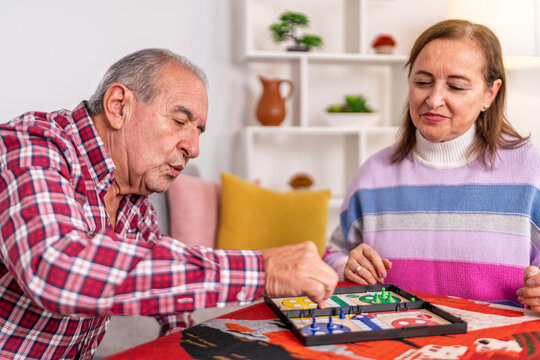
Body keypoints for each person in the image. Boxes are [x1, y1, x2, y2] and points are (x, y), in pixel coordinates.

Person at [0, 48, 338, 359]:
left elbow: (159, 265)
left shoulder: (135, 193)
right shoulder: (31, 146)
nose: (194, 147)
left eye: (199, 131)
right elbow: (58, 268)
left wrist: (184, 339)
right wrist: (263, 270)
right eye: (180, 121)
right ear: (119, 106)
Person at [323, 19, 540, 313]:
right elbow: (333, 254)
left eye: (456, 86)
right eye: (422, 82)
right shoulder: (374, 173)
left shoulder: (531, 171)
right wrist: (347, 266)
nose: (434, 99)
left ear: (490, 94)